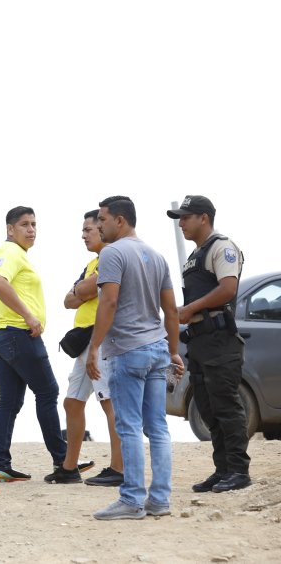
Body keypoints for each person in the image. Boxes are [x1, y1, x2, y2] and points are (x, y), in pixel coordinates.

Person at [87, 196, 183, 521]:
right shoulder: (156, 255)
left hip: (128, 349)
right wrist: (173, 351)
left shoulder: (113, 253)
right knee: (157, 427)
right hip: (157, 348)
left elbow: (109, 302)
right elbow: (170, 310)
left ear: (121, 221)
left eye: (103, 219)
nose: (99, 225)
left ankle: (131, 500)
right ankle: (160, 500)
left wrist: (94, 347)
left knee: (128, 426)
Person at [168, 195, 251, 493]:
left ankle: (239, 471)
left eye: (186, 217)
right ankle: (223, 469)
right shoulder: (195, 256)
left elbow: (227, 289)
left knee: (226, 405)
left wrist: (190, 309)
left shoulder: (221, 247)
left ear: (203, 217)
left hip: (220, 340)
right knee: (207, 407)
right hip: (200, 341)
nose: (181, 223)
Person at [0, 206, 70, 482]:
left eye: (34, 224)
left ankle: (0, 465)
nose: (31, 229)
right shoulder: (10, 252)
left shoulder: (16, 254)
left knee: (9, 400)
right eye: (24, 224)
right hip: (16, 333)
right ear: (10, 229)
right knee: (47, 392)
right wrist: (29, 316)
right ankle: (63, 460)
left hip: (1, 333)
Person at [55, 210, 123, 487]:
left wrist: (81, 290)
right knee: (72, 401)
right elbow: (69, 299)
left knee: (110, 404)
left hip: (102, 340)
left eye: (88, 230)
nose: (83, 235)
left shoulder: (112, 257)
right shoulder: (93, 263)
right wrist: (80, 290)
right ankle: (69, 468)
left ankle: (118, 469)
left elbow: (85, 291)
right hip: (85, 342)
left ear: (102, 229)